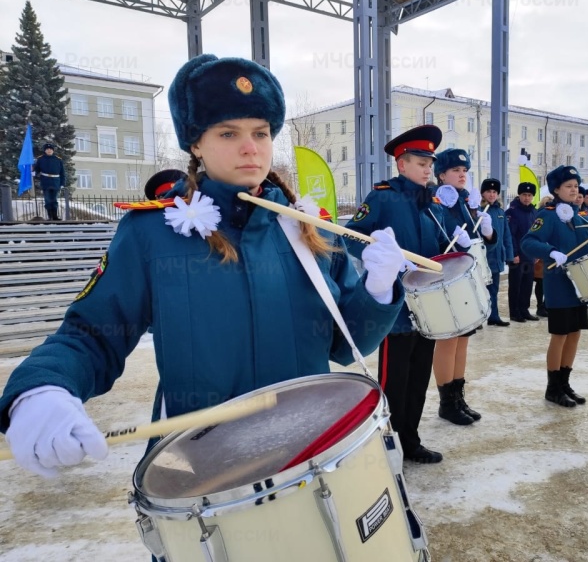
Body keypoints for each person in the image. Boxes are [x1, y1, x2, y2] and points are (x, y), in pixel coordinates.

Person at [0, 54, 407, 479]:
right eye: (228, 132)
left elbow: (346, 346)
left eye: (261, 132)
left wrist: (378, 291)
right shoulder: (152, 232)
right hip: (203, 475)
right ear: (195, 143)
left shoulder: (307, 227)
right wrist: (42, 387)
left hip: (310, 459)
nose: (251, 148)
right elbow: (91, 335)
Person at [346, 125, 462, 463]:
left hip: (428, 309)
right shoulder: (383, 196)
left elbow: (439, 253)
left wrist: (456, 248)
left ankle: (410, 441)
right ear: (402, 164)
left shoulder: (433, 204)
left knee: (417, 379)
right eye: (421, 163)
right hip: (395, 309)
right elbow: (352, 236)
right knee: (393, 381)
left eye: (430, 164)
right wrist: (381, 258)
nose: (428, 169)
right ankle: (388, 445)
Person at [521, 165, 588, 407]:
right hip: (558, 285)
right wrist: (550, 251)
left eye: (576, 186)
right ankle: (552, 387)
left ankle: (565, 383)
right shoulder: (548, 215)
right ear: (556, 190)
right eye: (568, 186)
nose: (573, 190)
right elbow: (528, 242)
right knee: (559, 335)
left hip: (580, 284)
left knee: (575, 334)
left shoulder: (577, 216)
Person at [431, 149, 496, 426]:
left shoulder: (464, 202)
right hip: (447, 281)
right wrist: (456, 237)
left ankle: (458, 397)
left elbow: (477, 240)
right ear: (441, 175)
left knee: (463, 340)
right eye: (455, 170)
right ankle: (446, 403)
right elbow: (436, 236)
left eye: (464, 170)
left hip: (466, 278)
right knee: (448, 341)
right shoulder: (437, 201)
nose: (461, 174)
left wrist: (487, 232)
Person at [481, 177, 514, 327]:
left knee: (494, 289)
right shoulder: (478, 210)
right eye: (488, 191)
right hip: (483, 257)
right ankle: (479, 318)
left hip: (496, 257)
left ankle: (493, 316)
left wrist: (509, 255)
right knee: (480, 289)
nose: (492, 195)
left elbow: (506, 235)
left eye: (494, 192)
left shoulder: (500, 211)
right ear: (483, 193)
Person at [506, 182, 539, 323]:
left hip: (530, 255)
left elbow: (537, 234)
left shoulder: (534, 212)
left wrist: (537, 252)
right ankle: (514, 312)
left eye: (529, 195)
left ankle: (524, 310)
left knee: (527, 284)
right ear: (519, 195)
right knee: (516, 284)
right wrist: (513, 253)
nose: (526, 198)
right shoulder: (512, 212)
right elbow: (510, 235)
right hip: (518, 255)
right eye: (524, 195)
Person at [533, 194, 554, 318]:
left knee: (549, 282)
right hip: (542, 251)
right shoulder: (540, 215)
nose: (549, 205)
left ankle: (546, 305)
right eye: (547, 203)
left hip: (552, 251)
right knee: (541, 282)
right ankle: (540, 306)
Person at [33, 142, 65, 220]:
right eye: (47, 149)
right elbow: (37, 169)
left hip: (55, 182)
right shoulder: (41, 159)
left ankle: (55, 216)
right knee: (47, 200)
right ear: (45, 150)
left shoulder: (58, 160)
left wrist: (62, 183)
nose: (49, 150)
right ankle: (50, 216)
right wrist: (33, 171)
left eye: (51, 149)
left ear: (53, 150)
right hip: (45, 181)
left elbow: (62, 173)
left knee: (54, 200)